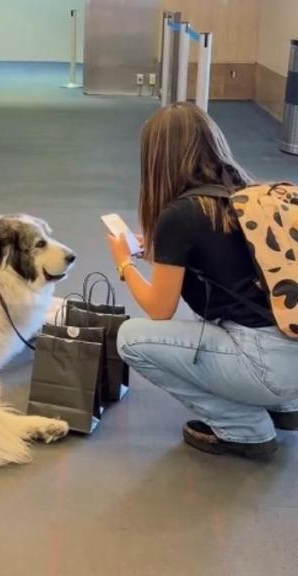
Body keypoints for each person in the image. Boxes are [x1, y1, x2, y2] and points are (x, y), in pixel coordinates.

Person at [108, 102, 298, 459]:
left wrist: (123, 263)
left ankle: (244, 428)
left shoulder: (180, 215)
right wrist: (159, 249)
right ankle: (287, 405)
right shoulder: (245, 194)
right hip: (290, 348)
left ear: (157, 159)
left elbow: (159, 310)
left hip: (264, 364)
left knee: (130, 339)